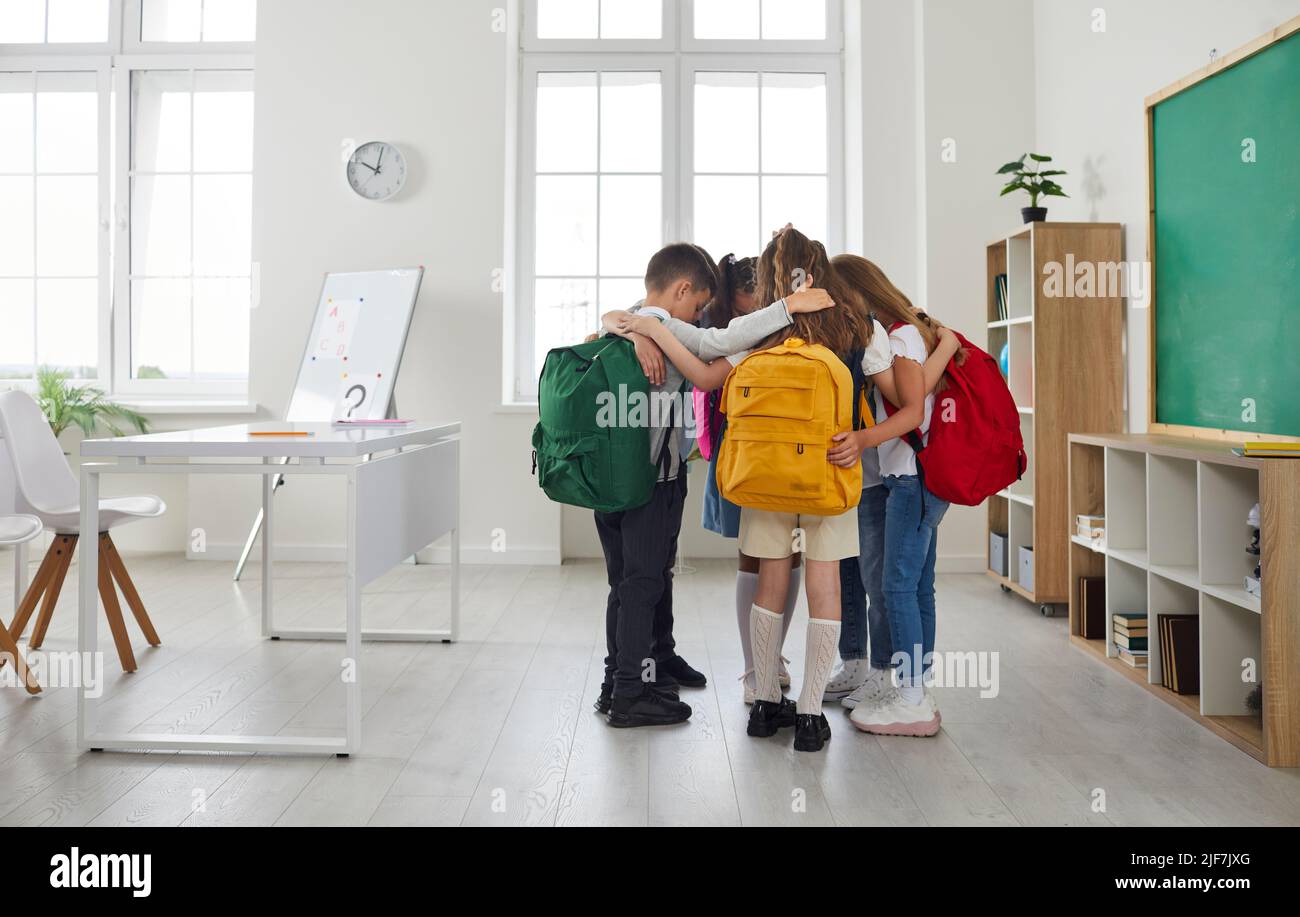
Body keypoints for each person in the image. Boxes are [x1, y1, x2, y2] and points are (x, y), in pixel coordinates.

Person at [593, 242, 835, 728]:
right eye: (698, 305)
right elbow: (714, 348)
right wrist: (787, 308)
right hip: (650, 478)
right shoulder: (653, 325)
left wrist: (636, 325)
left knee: (642, 579)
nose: (700, 316)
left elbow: (642, 324)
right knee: (641, 583)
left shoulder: (638, 321)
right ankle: (626, 691)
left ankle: (646, 668)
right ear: (683, 290)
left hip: (614, 478)